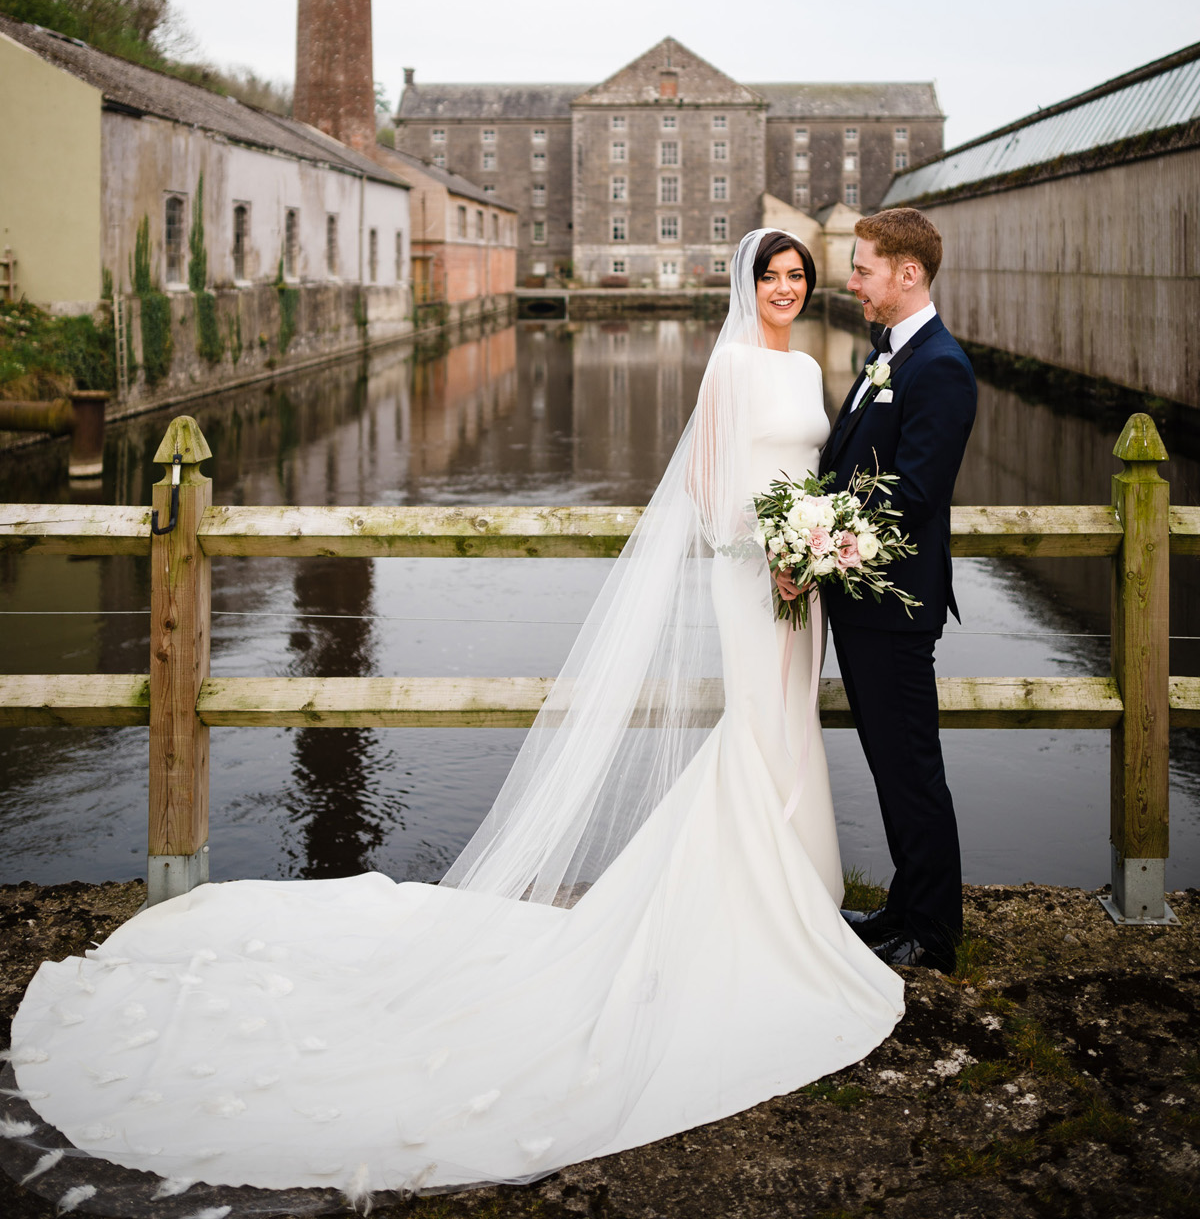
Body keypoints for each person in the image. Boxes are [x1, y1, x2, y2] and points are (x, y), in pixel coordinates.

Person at [8, 230, 902, 1209]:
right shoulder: (730, 365)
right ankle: (748, 911)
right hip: (750, 574)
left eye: (798, 278)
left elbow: (811, 471)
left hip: (801, 575)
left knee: (790, 727)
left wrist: (814, 538)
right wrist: (760, 541)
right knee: (755, 731)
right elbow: (701, 485)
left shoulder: (813, 363)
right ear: (749, 285)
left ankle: (794, 898)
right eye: (773, 277)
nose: (786, 289)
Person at [778, 208, 976, 974]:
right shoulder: (885, 356)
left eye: (861, 269)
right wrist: (803, 524)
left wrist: (819, 546)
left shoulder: (940, 367)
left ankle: (933, 932)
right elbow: (848, 469)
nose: (850, 280)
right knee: (891, 765)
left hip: (893, 606)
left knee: (910, 767)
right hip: (860, 603)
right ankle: (906, 905)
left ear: (908, 273)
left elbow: (914, 494)